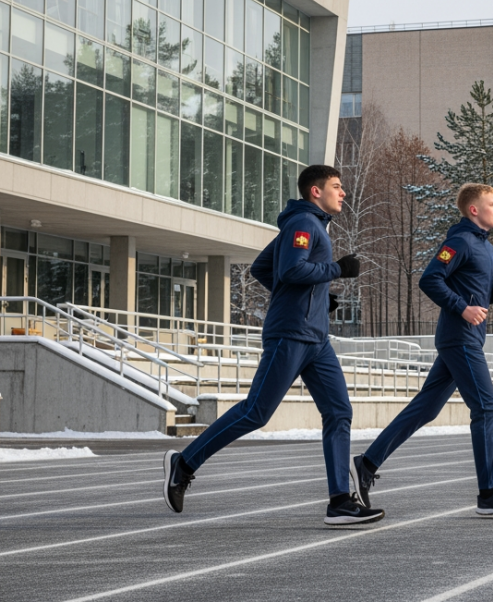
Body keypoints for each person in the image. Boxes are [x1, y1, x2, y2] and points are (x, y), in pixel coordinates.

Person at [162, 164, 384, 526]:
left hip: (316, 338)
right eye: (337, 186)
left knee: (339, 412)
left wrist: (316, 296)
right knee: (256, 412)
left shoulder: (310, 224)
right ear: (316, 191)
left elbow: (264, 269)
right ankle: (184, 463)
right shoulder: (304, 224)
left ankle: (340, 501)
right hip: (290, 333)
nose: (343, 193)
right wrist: (336, 271)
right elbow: (291, 271)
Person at [349, 183, 493, 515]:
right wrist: (461, 308)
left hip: (466, 339)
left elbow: (474, 294)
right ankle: (488, 495)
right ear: (474, 210)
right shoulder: (459, 241)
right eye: (492, 204)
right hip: (459, 338)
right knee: (487, 410)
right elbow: (430, 279)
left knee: (425, 409)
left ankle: (367, 463)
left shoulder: (483, 246)